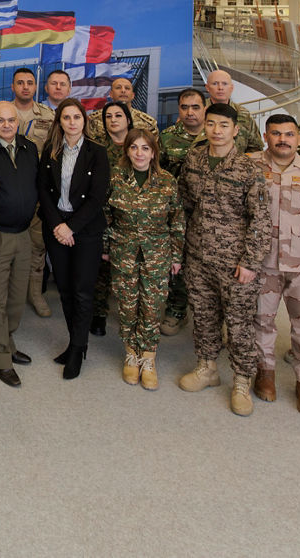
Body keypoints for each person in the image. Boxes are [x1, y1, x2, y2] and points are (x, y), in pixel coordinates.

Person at [176, 103, 271, 416]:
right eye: (211, 124)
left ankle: (242, 381)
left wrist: (251, 263)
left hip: (235, 261)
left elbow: (261, 220)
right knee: (203, 315)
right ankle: (207, 367)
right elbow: (184, 205)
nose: (216, 131)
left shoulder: (249, 170)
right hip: (197, 255)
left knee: (240, 323)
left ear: (236, 130)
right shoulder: (193, 158)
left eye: (223, 125)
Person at [250, 114, 300, 417]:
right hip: (262, 261)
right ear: (265, 136)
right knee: (261, 319)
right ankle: (265, 371)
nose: (282, 139)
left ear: (299, 137)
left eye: (289, 134)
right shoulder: (250, 166)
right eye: (276, 134)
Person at [103, 129, 183, 391]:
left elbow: (177, 221)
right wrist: (105, 246)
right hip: (123, 249)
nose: (139, 153)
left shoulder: (167, 181)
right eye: (134, 147)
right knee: (127, 304)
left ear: (153, 152)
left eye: (145, 148)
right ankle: (130, 353)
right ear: (127, 150)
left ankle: (148, 357)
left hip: (157, 252)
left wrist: (176, 255)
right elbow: (104, 214)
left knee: (151, 306)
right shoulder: (115, 177)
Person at [36, 98, 110, 380]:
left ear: (84, 121)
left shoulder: (97, 152)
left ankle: (79, 349)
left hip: (85, 231)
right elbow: (43, 189)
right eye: (66, 118)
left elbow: (96, 198)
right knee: (65, 290)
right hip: (56, 229)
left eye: (76, 117)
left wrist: (71, 228)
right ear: (60, 122)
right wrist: (58, 225)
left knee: (82, 291)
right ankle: (73, 341)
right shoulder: (51, 150)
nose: (71, 122)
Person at [0, 101, 40, 387]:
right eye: (0, 120)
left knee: (16, 297)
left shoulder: (30, 149)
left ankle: (8, 340)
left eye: (11, 120)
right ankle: (1, 356)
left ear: (18, 121)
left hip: (23, 234)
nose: (6, 125)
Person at [157, 87, 207, 335]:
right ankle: (176, 309)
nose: (190, 112)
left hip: (212, 215)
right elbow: (159, 175)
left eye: (195, 107)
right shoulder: (167, 138)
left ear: (205, 108)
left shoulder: (219, 135)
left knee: (207, 264)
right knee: (176, 260)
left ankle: (210, 316)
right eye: (184, 107)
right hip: (177, 212)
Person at [9, 67, 54, 320]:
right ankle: (5, 294)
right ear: (12, 87)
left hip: (37, 190)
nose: (25, 87)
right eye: (20, 83)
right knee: (6, 246)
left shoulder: (48, 115)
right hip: (7, 191)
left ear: (36, 87)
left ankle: (35, 294)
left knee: (38, 245)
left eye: (29, 83)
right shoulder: (1, 112)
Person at [90, 101, 134, 336]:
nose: (113, 120)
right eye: (108, 116)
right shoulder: (99, 148)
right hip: (103, 213)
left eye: (118, 115)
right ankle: (99, 314)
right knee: (102, 266)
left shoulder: (138, 145)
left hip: (132, 217)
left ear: (128, 119)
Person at [205, 69, 263, 154]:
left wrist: (241, 162)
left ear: (231, 88)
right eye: (215, 84)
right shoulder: (197, 112)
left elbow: (256, 147)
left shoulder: (243, 114)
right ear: (207, 88)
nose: (220, 88)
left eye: (224, 84)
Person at [86, 77, 158, 143]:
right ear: (111, 94)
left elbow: (153, 151)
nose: (123, 91)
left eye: (127, 88)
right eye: (118, 88)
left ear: (133, 95)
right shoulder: (93, 120)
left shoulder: (148, 123)